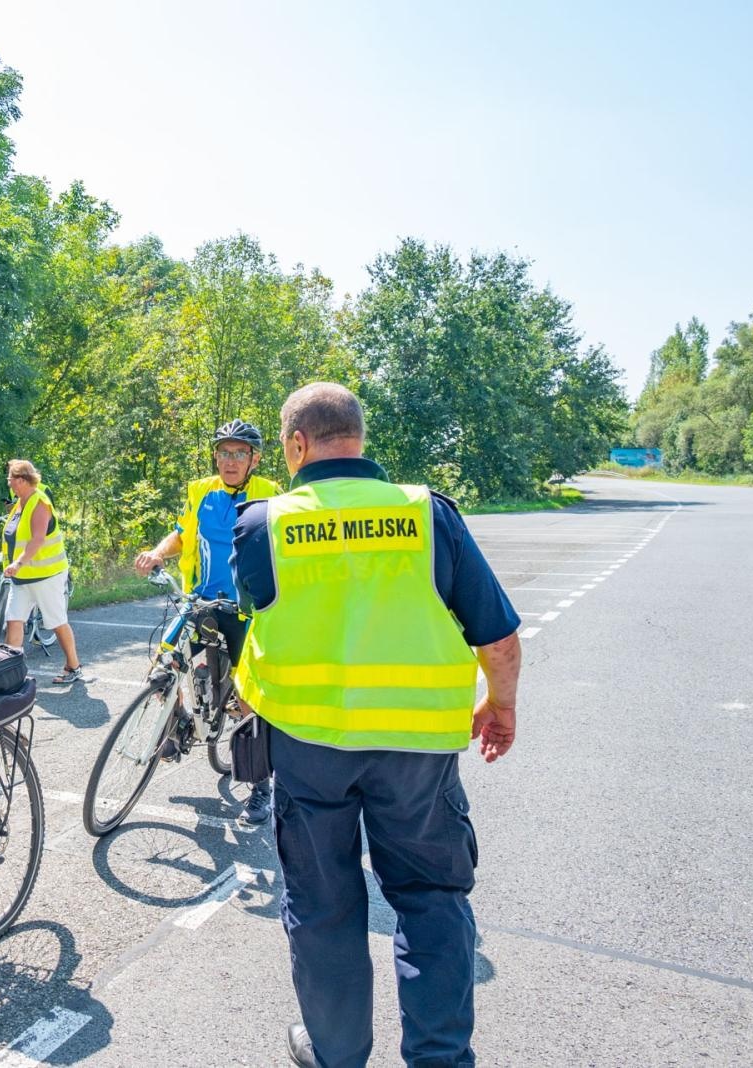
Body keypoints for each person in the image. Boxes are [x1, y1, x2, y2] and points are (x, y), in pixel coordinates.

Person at [230, 383, 522, 1068]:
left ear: (298, 445)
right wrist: (500, 706)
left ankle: (335, 1053)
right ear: (358, 438)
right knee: (429, 900)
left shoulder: (262, 524)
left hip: (310, 749)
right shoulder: (428, 515)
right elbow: (500, 640)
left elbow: (262, 610)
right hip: (416, 752)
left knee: (324, 905)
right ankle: (440, 1058)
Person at [133, 419, 281, 825]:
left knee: (250, 697)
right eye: (224, 452)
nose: (229, 460)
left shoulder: (271, 495)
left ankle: (260, 786)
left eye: (239, 453)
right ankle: (179, 722)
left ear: (254, 459)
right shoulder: (201, 490)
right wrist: (158, 552)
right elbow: (181, 534)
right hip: (199, 599)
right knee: (162, 664)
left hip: (246, 609)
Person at [1, 460, 83, 685]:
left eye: (10, 478)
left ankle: (73, 666)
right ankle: (12, 674)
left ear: (20, 480)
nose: (8, 483)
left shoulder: (39, 502)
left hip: (46, 575)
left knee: (56, 621)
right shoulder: (20, 502)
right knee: (14, 620)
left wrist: (17, 563)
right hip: (22, 578)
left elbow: (37, 539)